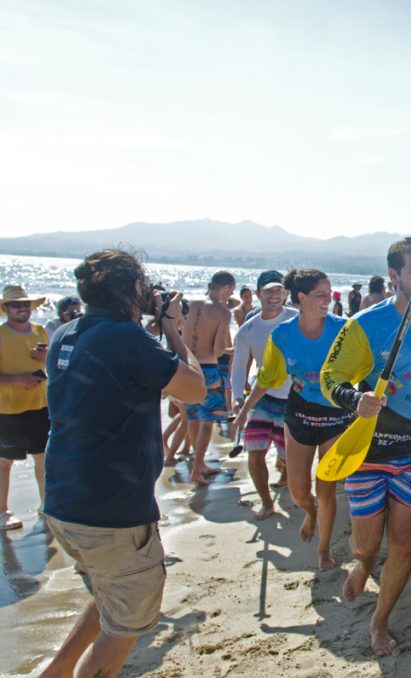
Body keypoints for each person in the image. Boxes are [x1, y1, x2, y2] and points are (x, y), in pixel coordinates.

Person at [40, 249, 205, 677]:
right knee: (125, 623)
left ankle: (53, 672)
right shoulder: (127, 339)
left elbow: (115, 374)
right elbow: (194, 389)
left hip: (63, 501)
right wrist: (172, 328)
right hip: (111, 513)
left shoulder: (67, 332)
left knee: (108, 592)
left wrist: (150, 326)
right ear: (135, 289)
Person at [321, 237, 411, 657]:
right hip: (371, 452)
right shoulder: (365, 324)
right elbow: (330, 376)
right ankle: (363, 564)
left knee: (403, 543)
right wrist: (354, 399)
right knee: (367, 543)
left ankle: (379, 621)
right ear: (395, 276)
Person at [232, 269, 348, 569]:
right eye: (321, 294)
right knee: (299, 493)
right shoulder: (282, 334)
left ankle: (324, 550)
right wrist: (243, 411)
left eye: (329, 293)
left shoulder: (343, 329)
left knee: (326, 487)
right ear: (301, 297)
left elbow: (366, 366)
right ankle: (311, 513)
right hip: (298, 417)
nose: (329, 299)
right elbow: (268, 377)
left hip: (335, 417)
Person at [230, 271, 298, 521]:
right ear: (258, 294)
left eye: (278, 291)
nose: (274, 296)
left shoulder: (296, 320)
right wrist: (238, 396)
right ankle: (267, 503)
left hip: (293, 399)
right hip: (263, 398)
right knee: (255, 451)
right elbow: (239, 366)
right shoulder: (249, 329)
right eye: (268, 291)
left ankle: (288, 477)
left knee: (288, 457)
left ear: (285, 294)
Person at [0, 285, 49, 530]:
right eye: (16, 304)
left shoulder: (40, 331)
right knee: (4, 462)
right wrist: (20, 380)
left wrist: (44, 358)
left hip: (40, 406)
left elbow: (53, 364)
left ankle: (46, 507)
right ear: (6, 308)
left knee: (42, 459)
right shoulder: (1, 335)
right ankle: (2, 512)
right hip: (8, 410)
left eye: (25, 304)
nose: (22, 308)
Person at [182, 270, 235, 485]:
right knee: (208, 420)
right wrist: (233, 350)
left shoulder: (190, 304)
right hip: (208, 368)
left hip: (186, 366)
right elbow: (218, 348)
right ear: (225, 288)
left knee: (193, 417)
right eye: (230, 289)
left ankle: (199, 463)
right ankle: (197, 469)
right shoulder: (222, 312)